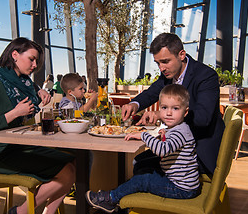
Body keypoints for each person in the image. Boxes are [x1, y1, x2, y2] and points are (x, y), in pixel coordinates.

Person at [0, 37, 75, 214]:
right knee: (66, 171)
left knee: (73, 161)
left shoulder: (25, 84)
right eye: (31, 59)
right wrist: (14, 113)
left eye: (36, 60)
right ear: (14, 55)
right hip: (2, 153)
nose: (35, 65)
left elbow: (32, 91)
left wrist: (39, 91)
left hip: (22, 146)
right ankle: (21, 212)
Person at [86, 84, 200, 213]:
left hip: (181, 189)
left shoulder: (181, 132)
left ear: (185, 112)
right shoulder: (177, 128)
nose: (168, 113)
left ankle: (110, 199)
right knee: (142, 165)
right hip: (178, 182)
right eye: (164, 107)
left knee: (143, 179)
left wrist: (144, 135)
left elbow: (162, 150)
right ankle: (124, 198)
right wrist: (162, 136)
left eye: (175, 108)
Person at [121, 33, 225, 175]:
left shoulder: (206, 76)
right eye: (158, 63)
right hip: (176, 144)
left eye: (165, 61)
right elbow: (152, 93)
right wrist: (134, 104)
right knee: (138, 161)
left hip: (198, 153)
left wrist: (161, 114)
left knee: (140, 165)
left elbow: (202, 118)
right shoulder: (169, 75)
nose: (161, 68)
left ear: (181, 55)